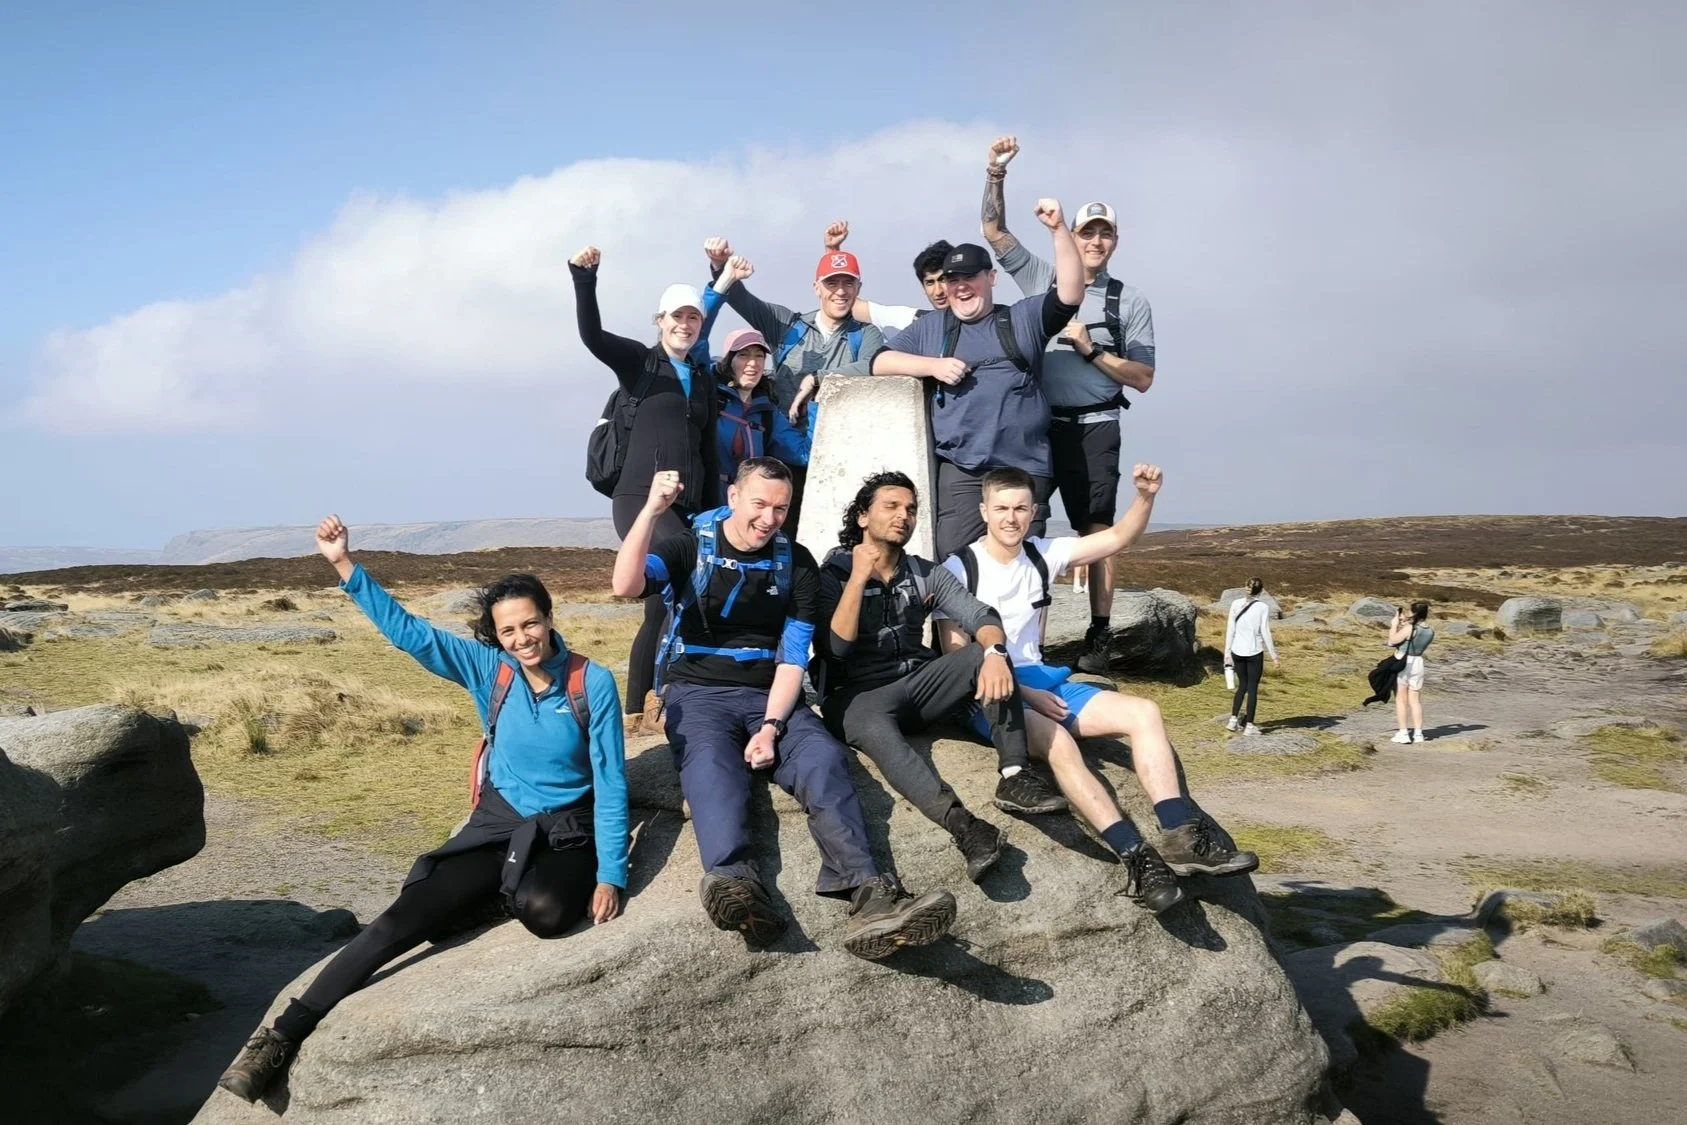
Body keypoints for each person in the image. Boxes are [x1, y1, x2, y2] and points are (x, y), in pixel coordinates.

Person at [217, 517, 628, 1103]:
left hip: (565, 828)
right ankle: (280, 1037)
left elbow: (611, 781)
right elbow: (411, 634)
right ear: (497, 635)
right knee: (399, 921)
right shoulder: (491, 671)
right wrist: (343, 565)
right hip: (498, 820)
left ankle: (495, 896)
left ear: (549, 617)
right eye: (508, 630)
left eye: (530, 623)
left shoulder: (594, 683)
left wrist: (612, 871)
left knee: (547, 912)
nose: (521, 638)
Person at [610, 457, 956, 957]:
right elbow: (626, 585)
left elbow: (794, 657)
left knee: (824, 759)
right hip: (697, 693)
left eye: (780, 508)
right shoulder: (689, 546)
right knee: (710, 766)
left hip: (771, 693)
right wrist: (650, 511)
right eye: (759, 504)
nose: (769, 518)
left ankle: (871, 895)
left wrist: (771, 727)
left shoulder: (795, 562)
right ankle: (737, 885)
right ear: (733, 497)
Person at [936, 467, 1257, 913]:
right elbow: (958, 659)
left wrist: (1144, 497)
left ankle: (1181, 834)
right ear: (984, 510)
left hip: (1042, 680)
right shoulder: (958, 568)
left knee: (1144, 712)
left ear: (1033, 512)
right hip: (988, 691)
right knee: (1060, 743)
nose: (1012, 518)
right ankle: (1135, 858)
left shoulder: (1043, 553)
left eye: (1021, 509)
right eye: (1002, 508)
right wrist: (1024, 697)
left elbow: (1117, 539)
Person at [816, 471, 1069, 885]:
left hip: (919, 686)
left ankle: (1015, 776)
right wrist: (859, 577)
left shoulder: (925, 572)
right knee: (872, 727)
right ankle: (968, 828)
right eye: (891, 507)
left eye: (911, 510)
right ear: (863, 517)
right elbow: (834, 648)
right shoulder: (833, 573)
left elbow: (980, 614)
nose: (904, 516)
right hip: (858, 696)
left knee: (980, 654)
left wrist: (994, 652)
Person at [981, 136, 1157, 675]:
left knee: (1096, 532)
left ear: (1115, 241)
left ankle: (1099, 638)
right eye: (1087, 231)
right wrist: (996, 173)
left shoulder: (1130, 301)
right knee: (1022, 526)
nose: (1095, 241)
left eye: (1105, 233)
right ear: (1074, 236)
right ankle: (1016, 632)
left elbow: (1144, 377)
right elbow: (993, 232)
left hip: (1095, 426)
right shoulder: (1043, 275)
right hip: (1037, 425)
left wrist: (1091, 349)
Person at [870, 198, 1083, 562]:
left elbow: (1069, 294)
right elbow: (880, 361)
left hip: (1024, 468)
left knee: (1023, 568)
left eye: (970, 277)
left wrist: (1058, 230)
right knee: (954, 566)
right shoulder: (932, 327)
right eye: (953, 280)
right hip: (962, 471)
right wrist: (931, 367)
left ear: (991, 278)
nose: (960, 287)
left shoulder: (1023, 318)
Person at [571, 245, 721, 735]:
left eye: (694, 317)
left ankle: (651, 701)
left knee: (675, 597)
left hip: (692, 507)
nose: (686, 324)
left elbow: (708, 452)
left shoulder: (702, 380)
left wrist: (720, 511)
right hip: (638, 501)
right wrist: (585, 278)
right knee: (667, 588)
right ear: (660, 320)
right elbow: (591, 336)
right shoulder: (640, 364)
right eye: (677, 316)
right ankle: (643, 706)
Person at [703, 238, 886, 540]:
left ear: (858, 287)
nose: (840, 291)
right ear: (817, 287)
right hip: (781, 455)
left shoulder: (867, 335)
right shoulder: (788, 326)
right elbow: (741, 299)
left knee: (834, 540)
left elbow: (874, 366)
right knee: (777, 539)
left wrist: (818, 378)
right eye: (832, 283)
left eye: (848, 283)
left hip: (837, 457)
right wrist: (721, 265)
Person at [710, 327, 811, 494]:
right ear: (728, 361)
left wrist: (812, 405)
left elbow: (804, 454)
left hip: (745, 510)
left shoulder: (768, 414)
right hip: (706, 507)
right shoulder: (709, 397)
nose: (753, 363)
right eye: (743, 355)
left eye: (759, 356)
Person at [815, 220, 951, 332]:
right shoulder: (916, 321)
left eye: (942, 280)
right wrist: (833, 254)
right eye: (930, 282)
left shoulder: (972, 322)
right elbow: (846, 302)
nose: (938, 291)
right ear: (923, 288)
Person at [1224, 579, 1279, 736]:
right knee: (1252, 688)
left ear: (1246, 588)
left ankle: (1233, 720)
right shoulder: (1263, 607)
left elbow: (1230, 630)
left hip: (1237, 651)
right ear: (1261, 591)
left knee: (1242, 686)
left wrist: (1227, 653)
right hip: (1254, 651)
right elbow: (1265, 632)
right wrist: (1274, 656)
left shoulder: (1235, 604)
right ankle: (1249, 726)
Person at [1387, 602, 1435, 743]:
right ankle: (1418, 733)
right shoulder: (1430, 630)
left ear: (1414, 613)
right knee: (1415, 700)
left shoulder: (1409, 628)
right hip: (1418, 663)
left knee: (1401, 699)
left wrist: (1394, 625)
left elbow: (1391, 641)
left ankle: (1403, 733)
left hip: (1404, 662)